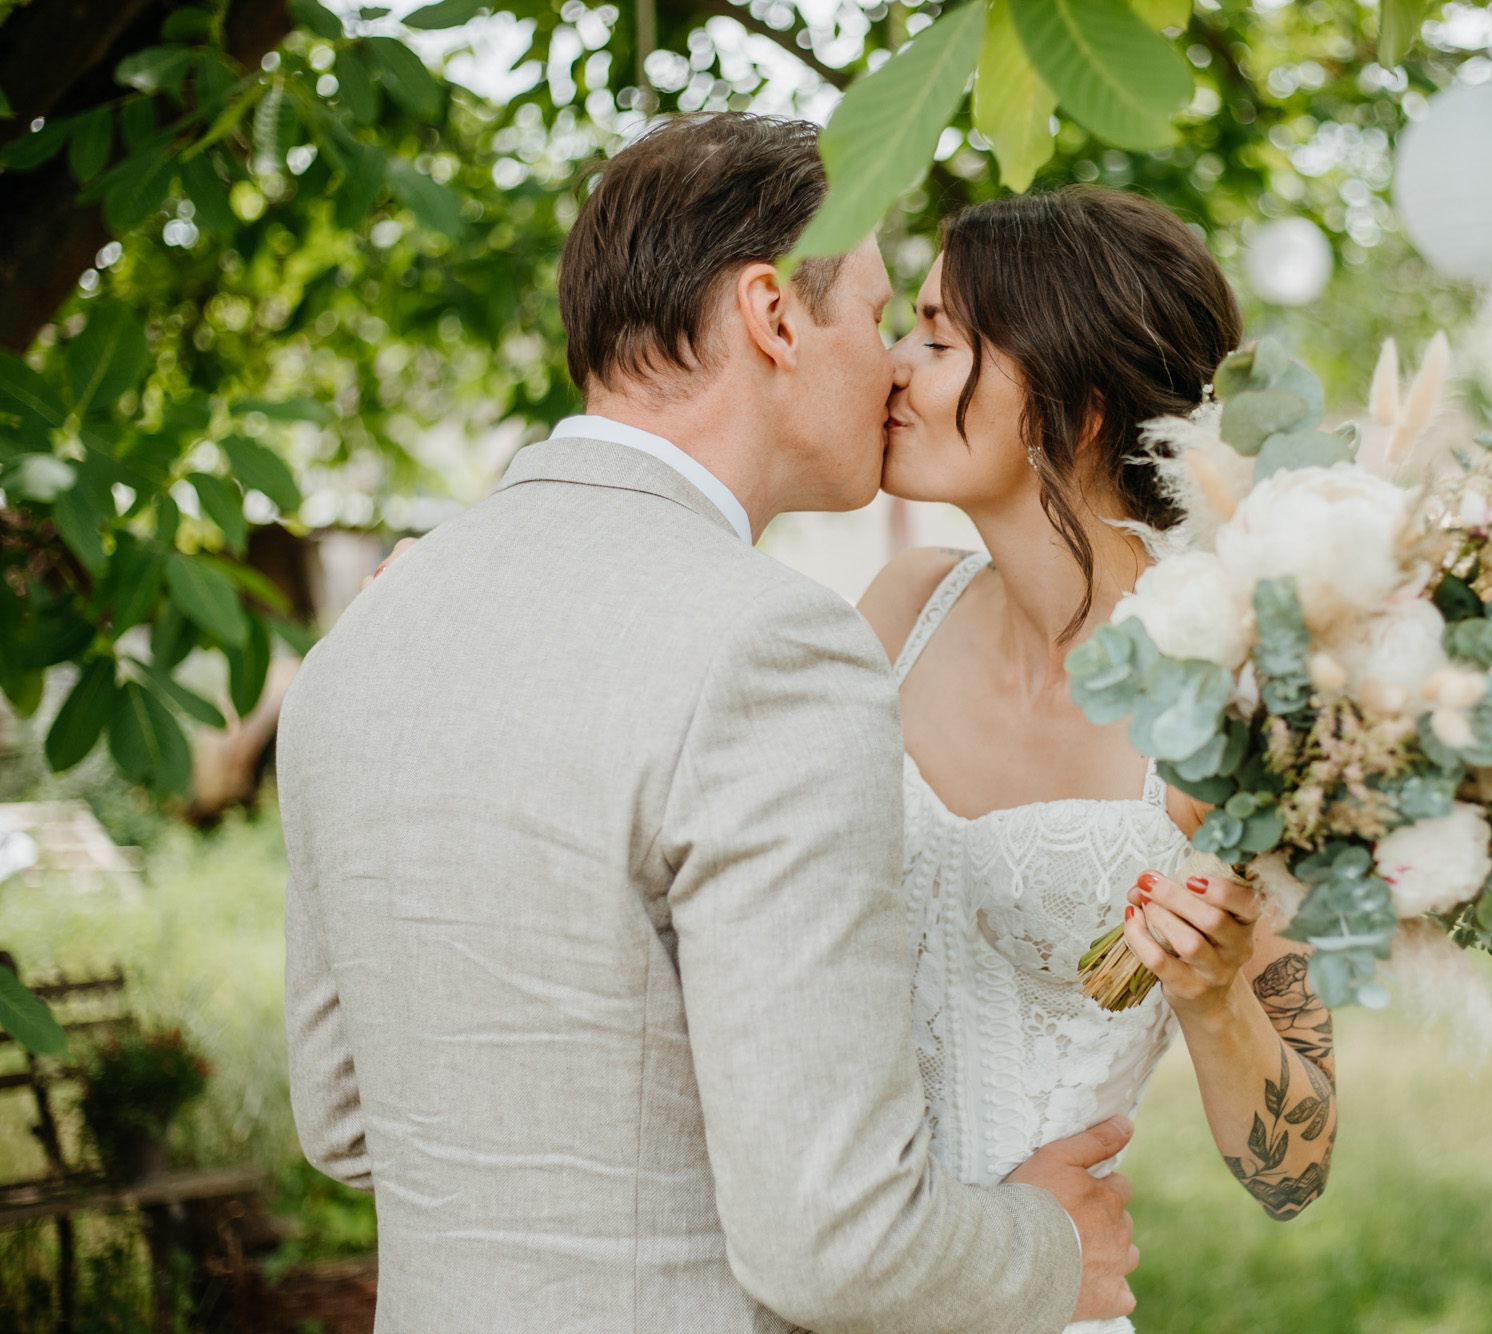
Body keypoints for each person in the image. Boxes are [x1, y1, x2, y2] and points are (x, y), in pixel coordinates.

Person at [279, 113, 1139, 1334]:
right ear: (774, 316)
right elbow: (830, 1242)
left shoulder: (367, 635)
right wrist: (1053, 1247)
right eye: (874, 315)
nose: (893, 367)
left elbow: (345, 1120)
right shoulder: (772, 650)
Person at [858, 191, 1338, 1329]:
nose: (891, 367)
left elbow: (1296, 1169)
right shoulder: (901, 609)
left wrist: (1213, 996)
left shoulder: (1224, 701)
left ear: (1075, 411)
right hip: (844, 1268)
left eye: (937, 340)